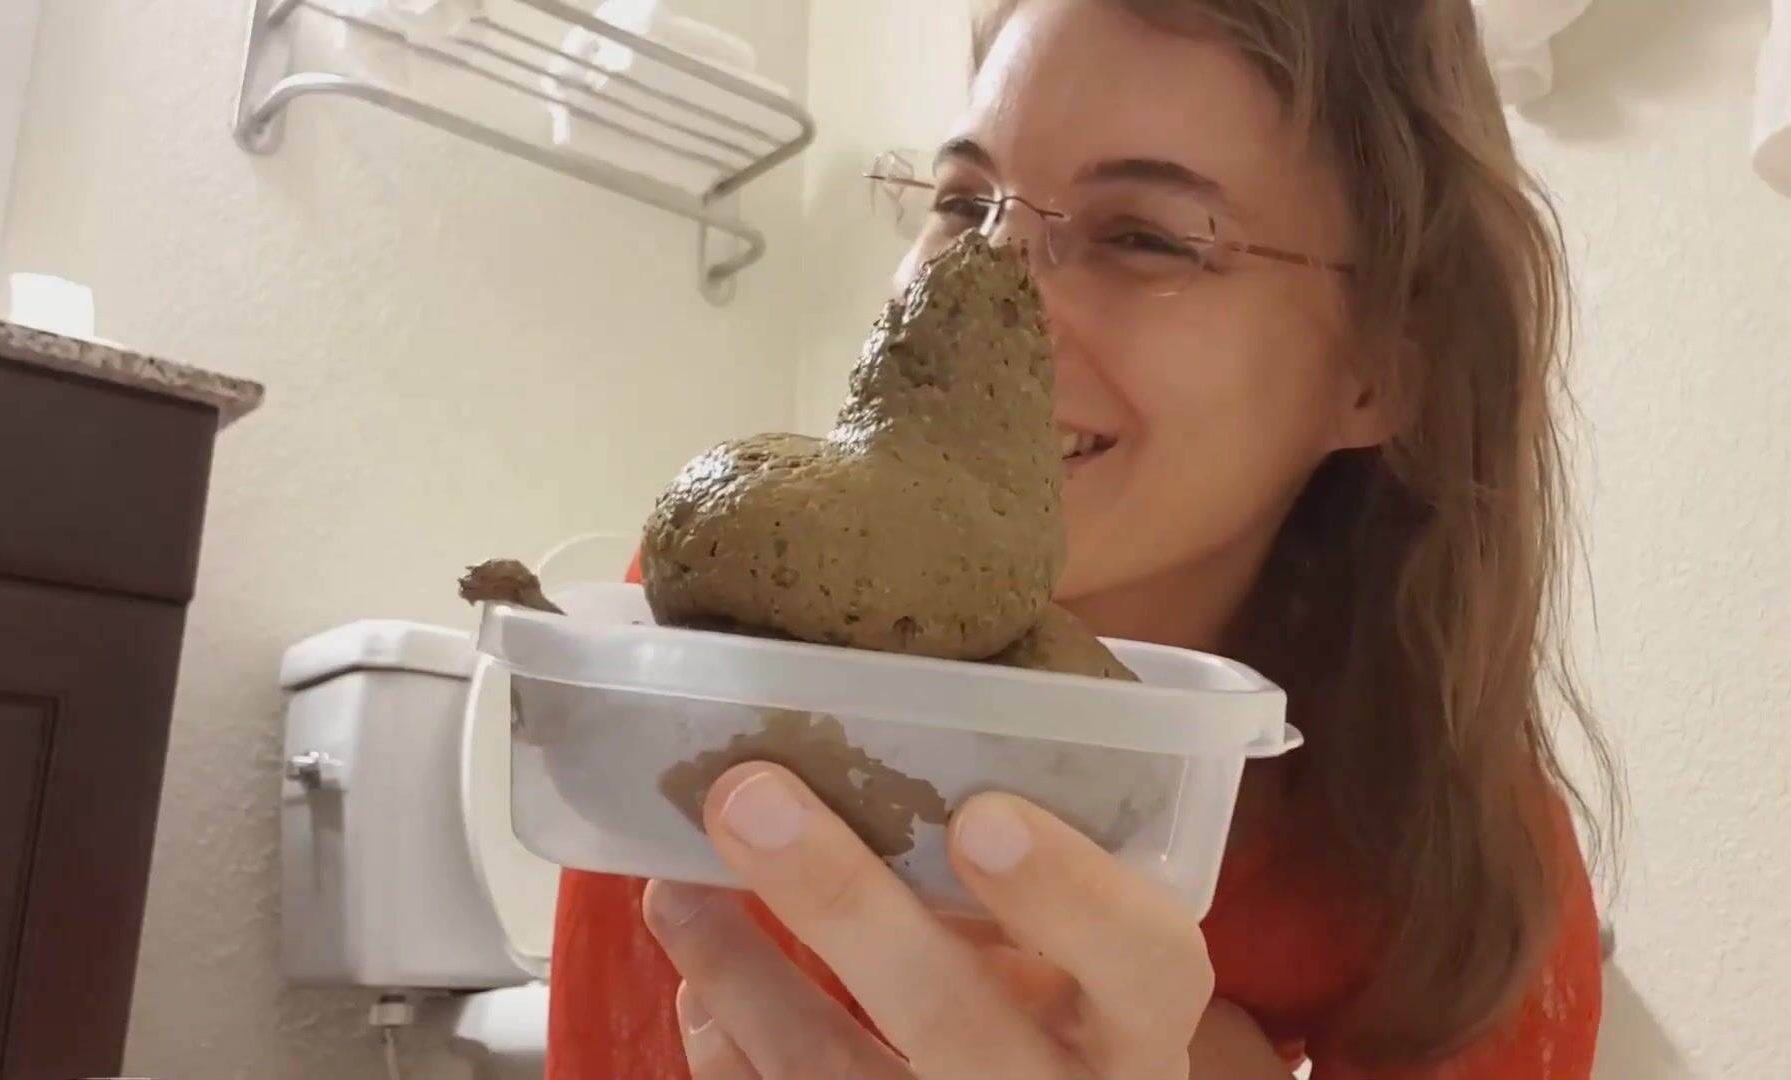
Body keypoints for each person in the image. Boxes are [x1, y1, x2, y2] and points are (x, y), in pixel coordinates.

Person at [546, 0, 1617, 1076]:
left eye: (1144, 236)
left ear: (1383, 367)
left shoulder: (1457, 860)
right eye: (964, 204)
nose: (974, 297)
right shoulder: (699, 654)